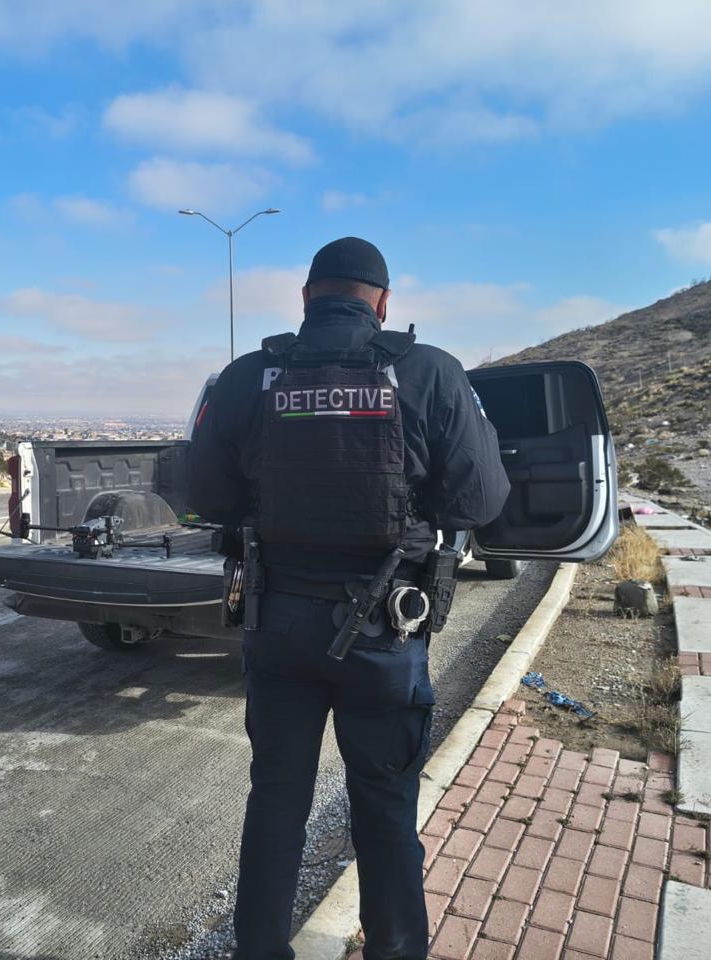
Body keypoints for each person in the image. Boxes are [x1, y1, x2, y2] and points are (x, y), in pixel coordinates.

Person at [188, 237, 511, 959]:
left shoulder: (248, 377)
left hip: (276, 623)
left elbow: (206, 494)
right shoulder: (429, 372)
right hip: (384, 635)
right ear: (384, 303)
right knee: (386, 805)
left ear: (307, 298)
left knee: (276, 801)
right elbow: (481, 500)